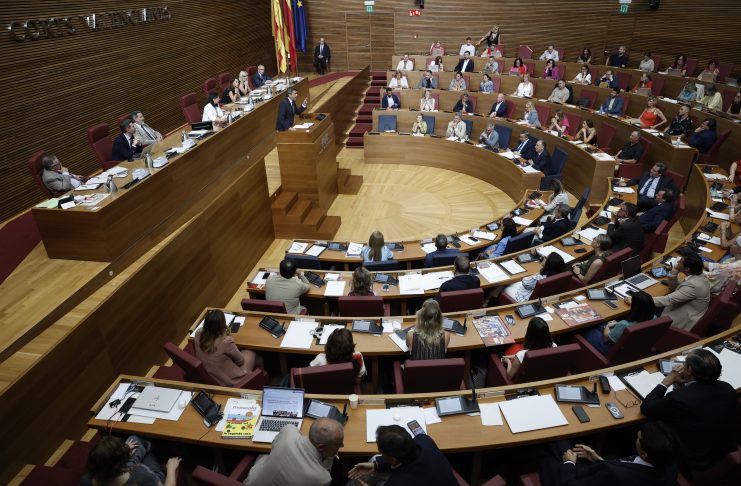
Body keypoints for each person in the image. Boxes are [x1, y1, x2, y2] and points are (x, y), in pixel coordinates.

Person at [640, 348, 737, 476]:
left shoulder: (679, 398)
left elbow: (647, 407)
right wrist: (684, 384)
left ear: (690, 370)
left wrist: (667, 381)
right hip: (718, 451)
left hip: (691, 461)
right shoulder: (727, 388)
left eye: (685, 363)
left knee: (647, 426)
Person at [538, 422, 679, 486]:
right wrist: (598, 459)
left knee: (551, 445)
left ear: (644, 454)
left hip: (574, 480)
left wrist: (569, 462)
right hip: (598, 473)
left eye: (639, 438)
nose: (637, 434)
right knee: (561, 443)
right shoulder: (671, 465)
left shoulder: (615, 476)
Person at [245, 418, 344, 486]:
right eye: (339, 445)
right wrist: (331, 456)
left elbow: (274, 444)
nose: (342, 446)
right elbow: (324, 467)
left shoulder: (288, 431)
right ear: (321, 447)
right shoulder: (322, 478)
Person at [348, 424, 457, 486]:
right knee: (374, 460)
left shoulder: (397, 482)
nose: (381, 454)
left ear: (393, 459)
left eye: (382, 453)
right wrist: (376, 466)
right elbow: (405, 463)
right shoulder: (424, 440)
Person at [194, 309, 261, 387]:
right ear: (223, 324)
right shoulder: (226, 341)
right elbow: (240, 361)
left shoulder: (198, 333)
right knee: (251, 352)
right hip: (229, 380)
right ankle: (258, 380)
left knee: (255, 358)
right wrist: (227, 334)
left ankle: (257, 376)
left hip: (211, 376)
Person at [80, 435, 181, 486]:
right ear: (123, 464)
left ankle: (149, 446)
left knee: (133, 439)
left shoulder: (86, 480)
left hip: (118, 475)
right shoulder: (142, 475)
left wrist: (125, 449)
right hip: (146, 479)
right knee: (147, 455)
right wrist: (171, 469)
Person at [644, 253, 710, 331]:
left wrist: (642, 299)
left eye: (680, 262)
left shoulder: (693, 286)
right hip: (681, 309)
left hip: (678, 320)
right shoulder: (699, 276)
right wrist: (673, 272)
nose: (677, 262)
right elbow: (675, 287)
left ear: (687, 269)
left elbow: (667, 300)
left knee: (643, 309)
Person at [582, 290, 653, 354]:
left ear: (635, 307)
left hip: (609, 347)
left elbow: (606, 338)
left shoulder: (624, 324)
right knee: (600, 324)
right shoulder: (654, 318)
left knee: (587, 328)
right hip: (633, 345)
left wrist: (608, 325)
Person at [501, 252, 566, 302]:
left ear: (548, 264)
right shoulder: (559, 275)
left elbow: (525, 282)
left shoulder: (540, 278)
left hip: (525, 299)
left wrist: (539, 272)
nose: (543, 258)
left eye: (546, 258)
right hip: (542, 297)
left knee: (505, 287)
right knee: (513, 284)